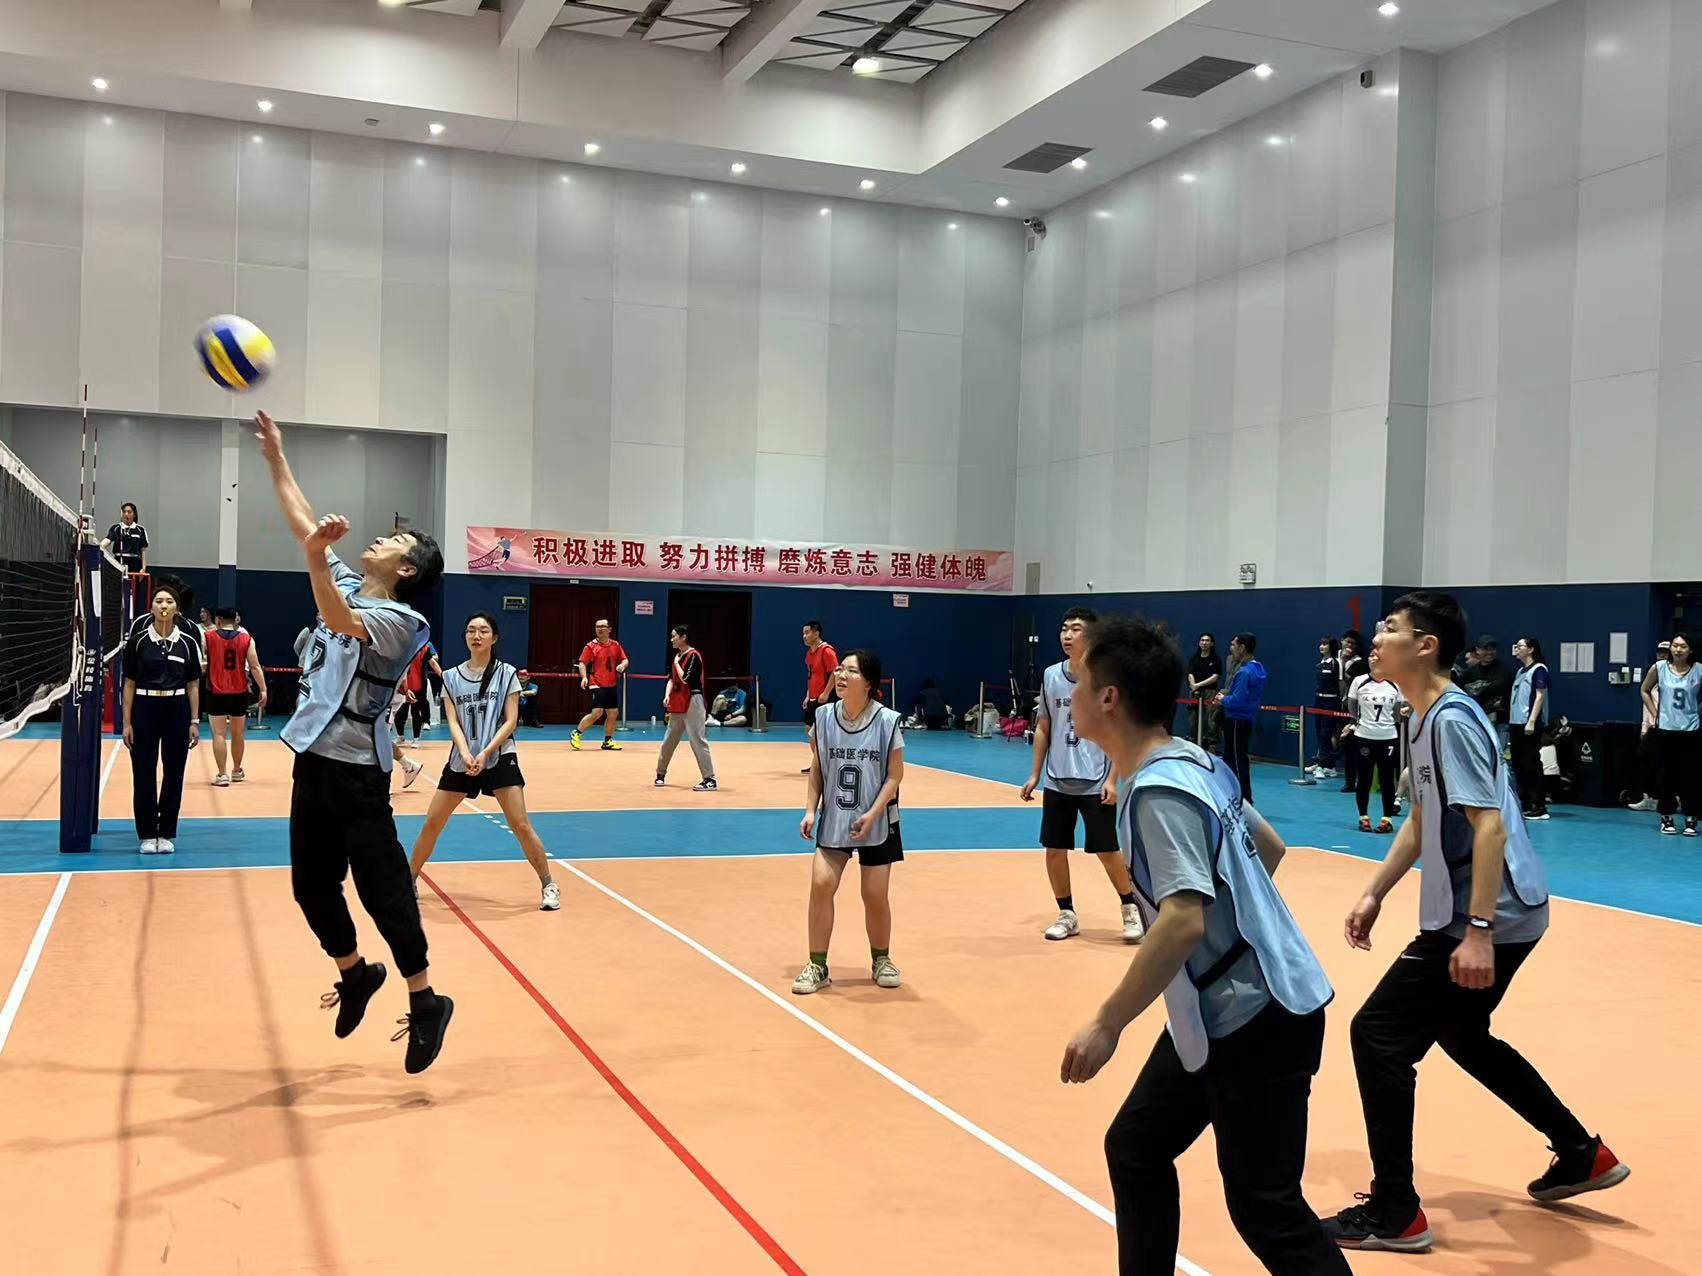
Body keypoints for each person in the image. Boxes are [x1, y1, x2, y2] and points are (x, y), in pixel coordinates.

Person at [1321, 591, 1626, 1254]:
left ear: (1425, 645)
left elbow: (1488, 827)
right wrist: (1374, 892)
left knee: (1378, 1035)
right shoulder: (1420, 717)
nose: (1376, 640)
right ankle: (1580, 1152)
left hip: (1490, 911)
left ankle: (1396, 1212)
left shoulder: (1452, 720)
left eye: (1390, 629)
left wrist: (1479, 930)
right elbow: (1423, 818)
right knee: (1460, 1031)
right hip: (1493, 909)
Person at [1058, 617, 1347, 1276]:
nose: (1070, 694)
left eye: (1079, 682)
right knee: (1136, 1147)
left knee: (1267, 1210)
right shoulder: (1195, 761)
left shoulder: (1159, 791)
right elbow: (1268, 848)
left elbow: (1183, 920)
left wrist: (1107, 1022)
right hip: (1230, 1011)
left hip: (1258, 1022)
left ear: (1109, 697)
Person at [252, 409, 453, 1074]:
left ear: (407, 567)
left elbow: (337, 618)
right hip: (313, 760)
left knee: (382, 891)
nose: (380, 537)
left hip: (359, 773)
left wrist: (315, 555)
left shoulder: (403, 621)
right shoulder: (344, 579)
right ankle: (355, 973)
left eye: (396, 539)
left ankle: (425, 1000)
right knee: (311, 887)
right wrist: (276, 457)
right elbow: (302, 520)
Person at [410, 613, 559, 910]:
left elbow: (511, 720)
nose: (476, 636)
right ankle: (409, 879)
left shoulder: (507, 673)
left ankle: (548, 884)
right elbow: (453, 721)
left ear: (494, 637)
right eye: (471, 631)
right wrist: (466, 752)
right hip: (462, 758)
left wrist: (485, 751)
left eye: (483, 631)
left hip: (499, 755)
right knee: (432, 822)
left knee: (520, 823)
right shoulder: (451, 677)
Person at [1021, 607, 1143, 944]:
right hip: (1058, 778)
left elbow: (1120, 731)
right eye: (1064, 628)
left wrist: (1113, 779)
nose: (1067, 635)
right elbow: (1043, 726)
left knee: (1107, 850)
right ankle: (1067, 913)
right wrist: (1035, 773)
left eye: (1075, 629)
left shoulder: (1107, 677)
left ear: (1091, 636)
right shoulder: (1050, 676)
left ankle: (1130, 908)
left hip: (1095, 779)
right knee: (1054, 849)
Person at [792, 650, 906, 995]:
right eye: (840, 669)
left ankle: (882, 959)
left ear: (868, 682)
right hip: (836, 817)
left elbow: (895, 775)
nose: (841, 675)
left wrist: (872, 814)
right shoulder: (824, 716)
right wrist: (810, 810)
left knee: (874, 894)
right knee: (821, 884)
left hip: (878, 819)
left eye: (851, 671)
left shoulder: (887, 721)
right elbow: (818, 767)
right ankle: (817, 964)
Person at [122, 585, 203, 854]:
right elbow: (129, 684)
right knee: (143, 771)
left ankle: (166, 832)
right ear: (152, 607)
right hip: (144, 707)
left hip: (177, 708)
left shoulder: (188, 643)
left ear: (176, 608)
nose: (164, 606)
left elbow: (193, 685)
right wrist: (127, 723)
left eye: (169, 601)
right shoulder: (138, 641)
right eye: (159, 601)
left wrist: (194, 721)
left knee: (174, 772)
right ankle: (147, 833)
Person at [1642, 633, 1700, 836]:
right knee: (1666, 776)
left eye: (1683, 646)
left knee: (1691, 776)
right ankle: (1666, 817)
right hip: (1665, 731)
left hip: (1691, 731)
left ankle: (1691, 818)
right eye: (1675, 646)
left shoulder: (1699, 670)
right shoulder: (1659, 668)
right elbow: (1644, 690)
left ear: (1690, 650)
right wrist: (1655, 713)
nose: (1678, 650)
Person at [204, 607, 267, 787]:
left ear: (217, 620)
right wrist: (263, 689)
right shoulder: (247, 639)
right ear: (235, 620)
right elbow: (254, 666)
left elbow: (202, 661)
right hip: (239, 692)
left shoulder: (208, 637)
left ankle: (222, 774)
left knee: (219, 733)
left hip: (215, 692)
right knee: (238, 733)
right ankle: (237, 770)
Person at [1343, 662, 1402, 833]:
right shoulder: (1359, 681)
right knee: (1364, 778)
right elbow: (1352, 707)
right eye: (1371, 656)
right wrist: (1357, 723)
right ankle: (1363, 817)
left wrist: (1385, 725)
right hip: (1364, 737)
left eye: (1378, 656)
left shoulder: (1395, 683)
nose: (1374, 659)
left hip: (1388, 737)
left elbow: (1397, 713)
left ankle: (1387, 819)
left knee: (1387, 779)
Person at [656, 624, 716, 791]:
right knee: (669, 740)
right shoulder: (678, 656)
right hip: (677, 702)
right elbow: (672, 679)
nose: (671, 640)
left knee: (697, 740)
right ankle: (660, 774)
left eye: (674, 636)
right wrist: (667, 695)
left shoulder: (694, 656)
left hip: (693, 702)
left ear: (683, 637)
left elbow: (685, 679)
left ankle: (710, 779)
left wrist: (676, 663)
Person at [1215, 634, 1266, 802]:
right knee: (1235, 758)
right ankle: (1237, 796)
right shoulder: (1258, 669)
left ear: (1242, 647)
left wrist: (1223, 699)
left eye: (1233, 645)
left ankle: (1243, 799)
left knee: (1236, 761)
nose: (1231, 649)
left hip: (1236, 720)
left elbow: (1237, 700)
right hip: (1246, 719)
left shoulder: (1244, 673)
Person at [1509, 636, 1552, 821]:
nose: (1517, 649)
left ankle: (1538, 806)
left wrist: (1532, 721)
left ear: (1531, 649)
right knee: (1518, 764)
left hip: (1529, 724)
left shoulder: (1539, 670)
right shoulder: (1520, 672)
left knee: (1531, 763)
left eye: (1520, 646)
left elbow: (1540, 696)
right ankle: (1525, 803)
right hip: (1516, 723)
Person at [572, 619, 629, 751]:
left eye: (603, 626)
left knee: (613, 713)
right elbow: (582, 663)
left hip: (611, 684)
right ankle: (577, 733)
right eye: (597, 627)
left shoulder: (615, 645)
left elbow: (625, 660)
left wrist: (622, 665)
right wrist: (584, 677)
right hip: (596, 683)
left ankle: (607, 741)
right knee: (597, 712)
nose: (600, 629)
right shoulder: (590, 646)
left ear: (609, 629)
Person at [800, 619, 838, 772]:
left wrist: (826, 693)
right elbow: (812, 676)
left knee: (820, 731)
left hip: (826, 697)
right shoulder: (809, 654)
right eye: (803, 633)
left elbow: (835, 673)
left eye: (807, 633)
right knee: (810, 728)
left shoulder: (827, 651)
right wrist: (808, 695)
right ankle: (819, 763)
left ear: (816, 633)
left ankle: (824, 764)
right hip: (814, 697)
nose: (804, 636)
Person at [1337, 631, 1370, 794]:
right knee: (1345, 745)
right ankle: (1349, 781)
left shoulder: (1360, 664)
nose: (1348, 645)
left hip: (1360, 713)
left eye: (1352, 643)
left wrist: (1353, 720)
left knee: (1360, 749)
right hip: (1342, 709)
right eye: (1346, 641)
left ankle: (1360, 782)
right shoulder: (1336, 660)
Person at [1310, 635, 1343, 778]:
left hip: (1331, 701)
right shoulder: (1320, 664)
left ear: (1331, 647)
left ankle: (1320, 765)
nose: (1321, 647)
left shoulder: (1336, 663)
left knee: (1326, 734)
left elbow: (1341, 683)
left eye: (1325, 644)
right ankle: (1330, 766)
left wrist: (1340, 700)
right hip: (1319, 700)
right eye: (1321, 644)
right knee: (1320, 733)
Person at [1185, 633, 1223, 751]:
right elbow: (1190, 673)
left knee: (1211, 720)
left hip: (1210, 692)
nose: (1204, 643)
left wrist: (1198, 685)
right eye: (1202, 640)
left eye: (1207, 640)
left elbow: (1215, 677)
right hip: (1195, 692)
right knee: (1193, 719)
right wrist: (1193, 686)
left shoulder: (1215, 659)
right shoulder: (1194, 658)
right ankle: (1193, 743)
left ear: (1212, 644)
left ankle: (1212, 746)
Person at [392, 643, 432, 748]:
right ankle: (400, 736)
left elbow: (433, 662)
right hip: (402, 688)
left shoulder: (424, 648)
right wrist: (404, 689)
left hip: (418, 687)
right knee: (400, 714)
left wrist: (442, 675)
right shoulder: (399, 648)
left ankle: (416, 739)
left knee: (416, 713)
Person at [101, 502, 149, 575]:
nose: (126, 514)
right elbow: (107, 541)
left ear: (134, 515)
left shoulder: (140, 530)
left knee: (133, 582)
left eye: (129, 512)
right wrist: (97, 546)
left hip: (135, 563)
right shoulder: (116, 528)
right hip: (118, 562)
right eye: (124, 512)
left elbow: (143, 550)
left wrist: (143, 568)